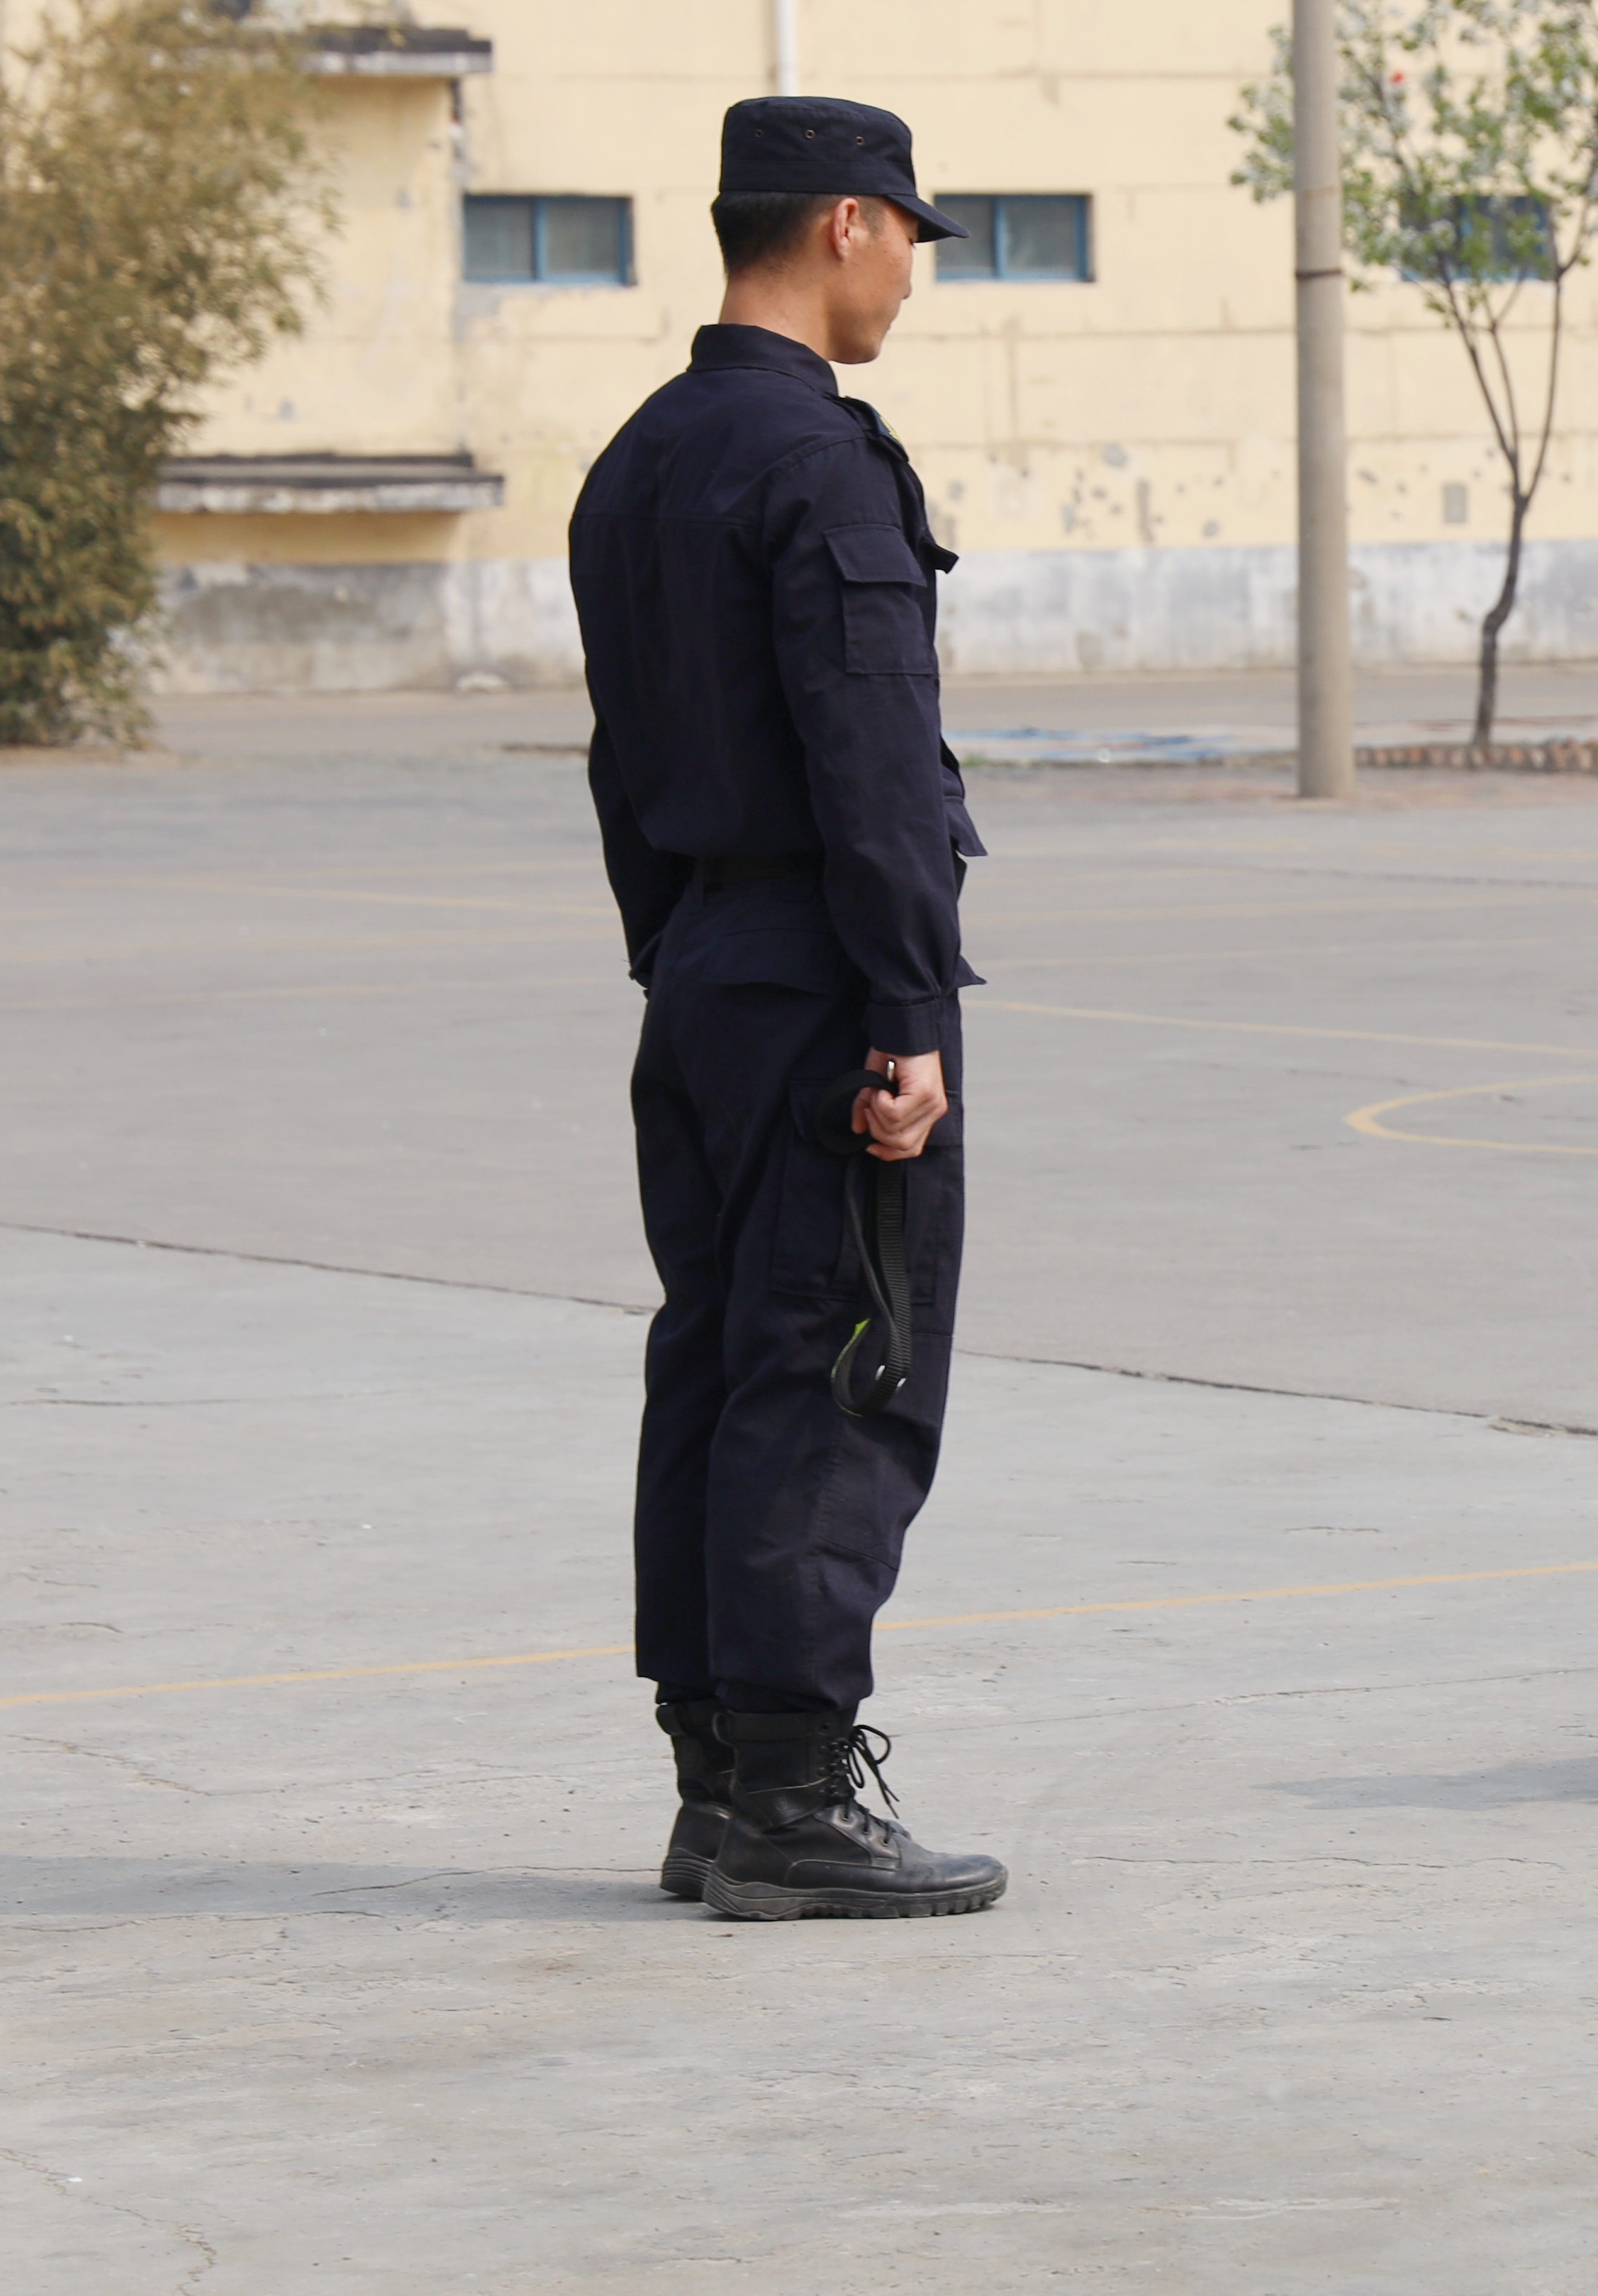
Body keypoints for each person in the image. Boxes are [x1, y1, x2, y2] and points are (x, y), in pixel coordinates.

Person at [570, 96, 1005, 1922]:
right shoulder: (816, 463)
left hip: (705, 981)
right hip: (829, 980)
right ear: (842, 225)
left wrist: (672, 947)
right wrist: (905, 1005)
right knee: (840, 1365)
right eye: (907, 234)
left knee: (718, 1357)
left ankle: (716, 1780)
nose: (912, 270)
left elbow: (621, 757)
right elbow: (874, 759)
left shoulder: (638, 458)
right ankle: (793, 1800)